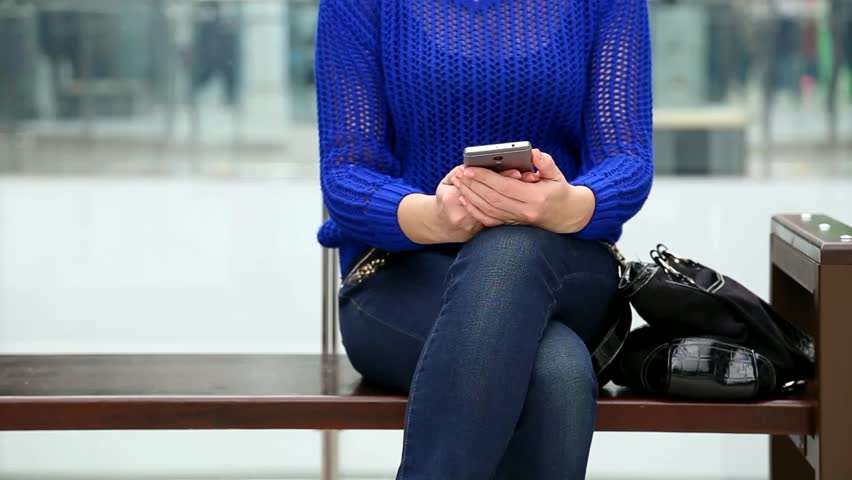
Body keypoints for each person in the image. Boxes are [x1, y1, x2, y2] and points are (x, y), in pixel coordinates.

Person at [315, 0, 653, 478]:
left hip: (561, 267)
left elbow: (628, 158)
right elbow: (347, 171)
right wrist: (436, 217)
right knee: (556, 374)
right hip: (402, 277)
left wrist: (565, 205)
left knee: (511, 247)